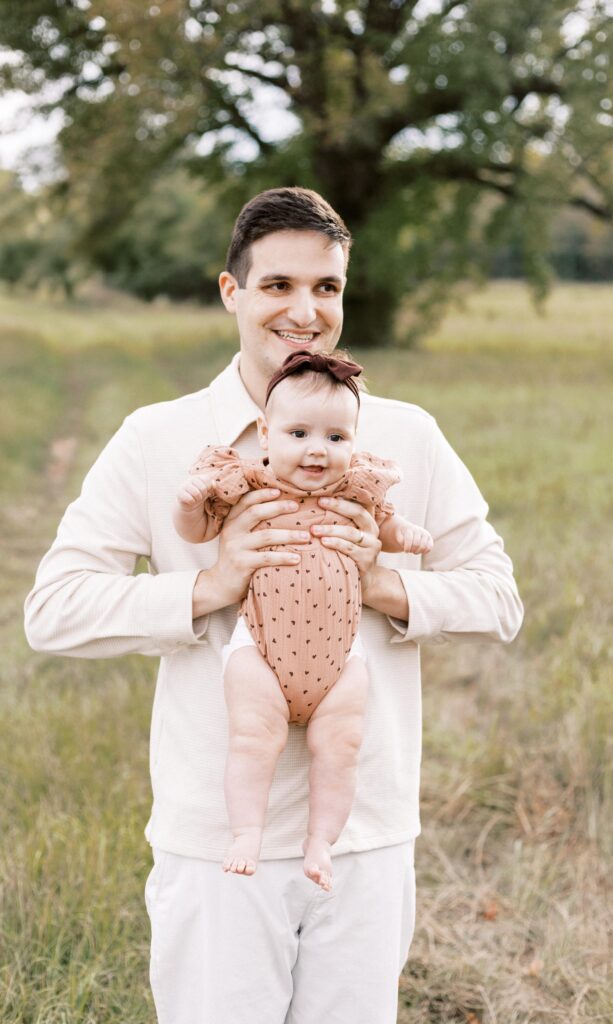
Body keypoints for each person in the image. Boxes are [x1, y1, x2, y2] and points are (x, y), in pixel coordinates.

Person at [24, 186, 523, 1024]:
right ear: (232, 293)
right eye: (278, 286)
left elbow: (498, 598)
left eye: (325, 288)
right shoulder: (158, 438)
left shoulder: (405, 436)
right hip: (214, 843)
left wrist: (384, 585)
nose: (305, 311)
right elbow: (54, 609)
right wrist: (207, 587)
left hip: (363, 836)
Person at [174, 350, 433, 890]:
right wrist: (190, 504)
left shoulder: (356, 488)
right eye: (299, 434)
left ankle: (320, 840)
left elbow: (386, 526)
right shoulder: (249, 483)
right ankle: (247, 830)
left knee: (343, 744)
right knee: (251, 736)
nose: (318, 450)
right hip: (261, 649)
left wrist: (403, 535)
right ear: (265, 437)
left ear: (354, 443)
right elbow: (196, 531)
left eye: (337, 438)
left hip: (341, 659)